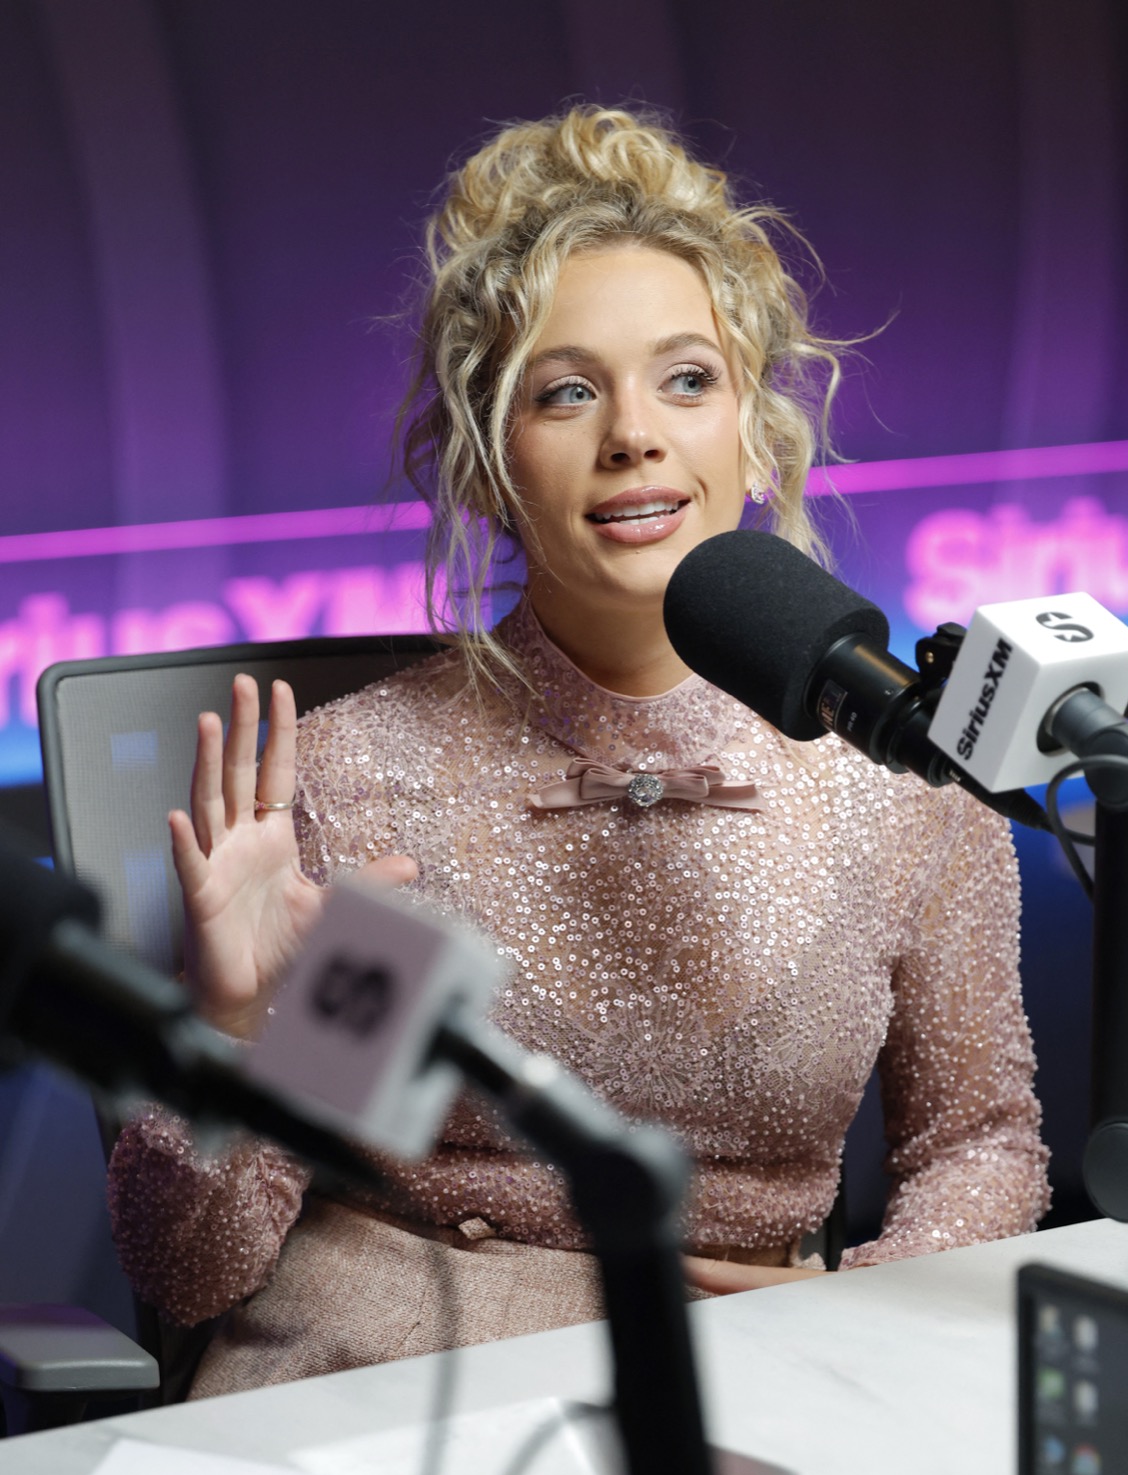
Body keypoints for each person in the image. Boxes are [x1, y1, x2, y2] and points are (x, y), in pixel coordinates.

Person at [107, 106, 1050, 1399]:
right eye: (565, 392)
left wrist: (866, 1305)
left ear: (754, 431)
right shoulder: (367, 784)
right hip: (395, 1371)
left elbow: (979, 1146)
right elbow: (191, 1274)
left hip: (761, 1375)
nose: (633, 434)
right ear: (488, 466)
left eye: (687, 380)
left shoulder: (906, 776)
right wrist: (235, 1033)